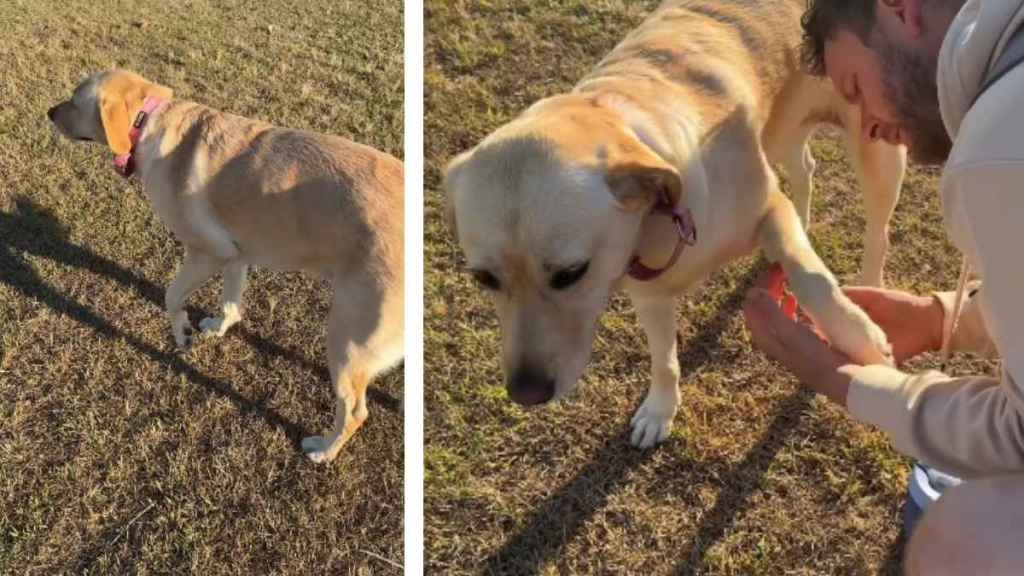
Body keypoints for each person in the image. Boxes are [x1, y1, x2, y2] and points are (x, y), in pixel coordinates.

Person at [742, 0, 1024, 573]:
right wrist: (940, 316)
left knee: (968, 537)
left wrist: (843, 381)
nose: (867, 123)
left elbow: (1017, 436)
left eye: (855, 85)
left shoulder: (1000, 149)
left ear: (900, 7)